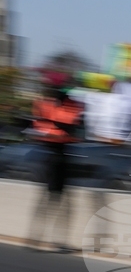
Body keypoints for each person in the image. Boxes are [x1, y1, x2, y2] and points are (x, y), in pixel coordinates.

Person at [28, 77, 85, 250]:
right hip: (55, 155)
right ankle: (41, 238)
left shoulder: (52, 106)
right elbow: (70, 130)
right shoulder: (53, 106)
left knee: (52, 199)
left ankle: (37, 238)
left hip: (55, 154)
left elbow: (73, 129)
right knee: (54, 199)